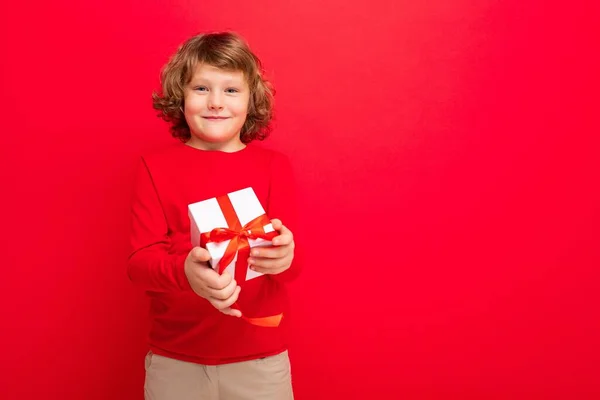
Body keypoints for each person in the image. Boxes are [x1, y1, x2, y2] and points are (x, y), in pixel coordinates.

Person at [127, 31, 300, 400]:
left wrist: (286, 256)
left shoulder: (274, 167)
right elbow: (139, 263)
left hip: (260, 359)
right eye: (201, 89)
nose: (216, 103)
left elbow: (293, 267)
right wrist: (184, 273)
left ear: (252, 100)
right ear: (180, 96)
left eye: (231, 91)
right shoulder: (154, 167)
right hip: (176, 360)